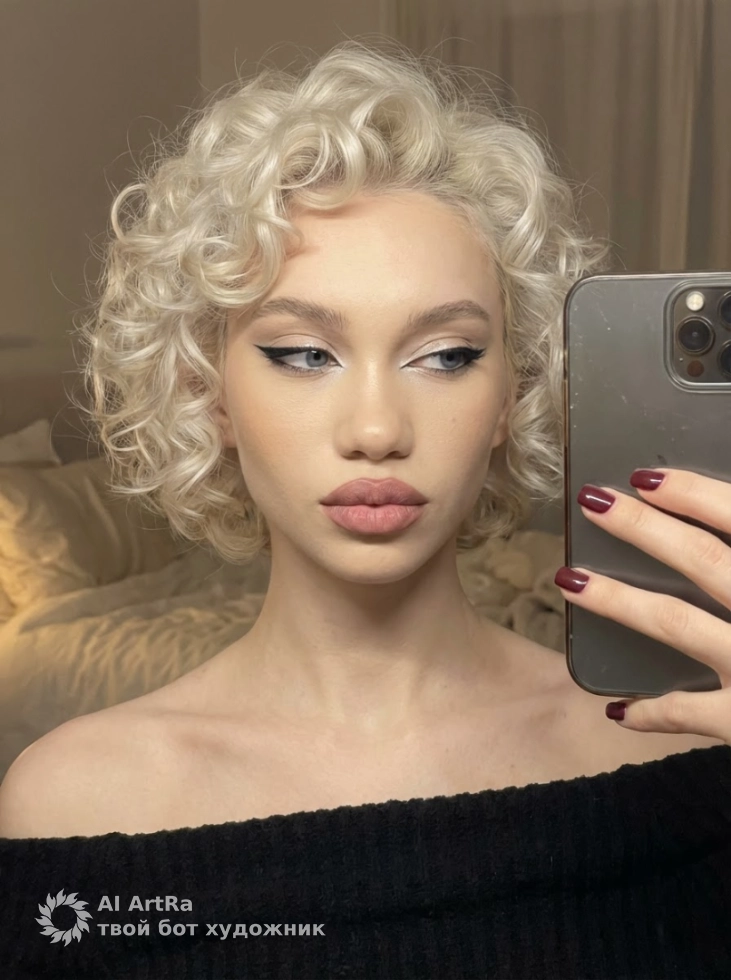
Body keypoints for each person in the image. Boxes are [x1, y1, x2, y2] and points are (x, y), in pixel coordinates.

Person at [1, 37, 730, 980]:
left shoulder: (673, 747)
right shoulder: (77, 804)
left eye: (447, 356)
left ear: (512, 395)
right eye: (303, 354)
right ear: (206, 391)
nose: (377, 430)